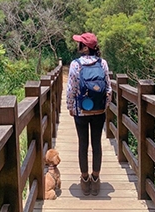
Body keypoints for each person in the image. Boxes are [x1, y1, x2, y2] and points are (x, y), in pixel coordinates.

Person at [66, 32, 112, 196]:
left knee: (83, 144)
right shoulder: (103, 63)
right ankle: (96, 179)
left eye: (80, 43)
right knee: (97, 144)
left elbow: (71, 88)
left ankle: (85, 181)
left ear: (85, 47)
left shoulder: (75, 64)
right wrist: (104, 106)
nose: (77, 45)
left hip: (81, 111)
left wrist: (70, 107)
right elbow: (108, 88)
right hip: (99, 111)